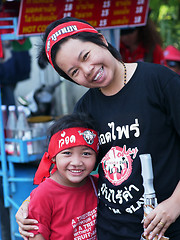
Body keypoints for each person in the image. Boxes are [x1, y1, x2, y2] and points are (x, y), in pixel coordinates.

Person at [15, 17, 180, 240]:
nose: (88, 70)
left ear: (101, 40)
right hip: (109, 230)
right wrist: (30, 203)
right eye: (74, 72)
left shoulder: (160, 82)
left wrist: (174, 204)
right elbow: (69, 168)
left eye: (86, 56)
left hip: (168, 227)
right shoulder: (84, 108)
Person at [20, 112, 99, 240]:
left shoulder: (96, 184)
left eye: (86, 154)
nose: (76, 163)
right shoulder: (44, 195)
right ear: (54, 157)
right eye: (67, 153)